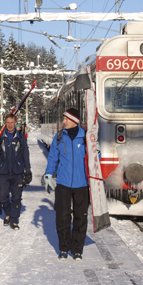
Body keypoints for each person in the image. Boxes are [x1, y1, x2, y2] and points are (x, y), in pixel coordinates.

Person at [43, 108, 88, 261]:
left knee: (80, 218)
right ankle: (63, 248)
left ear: (74, 120)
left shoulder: (86, 138)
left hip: (82, 184)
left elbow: (95, 159)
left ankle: (77, 250)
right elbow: (53, 158)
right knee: (62, 217)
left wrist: (98, 151)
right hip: (63, 183)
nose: (63, 121)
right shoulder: (59, 137)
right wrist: (49, 174)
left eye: (66, 119)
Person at [0, 113, 31, 230]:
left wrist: (28, 171)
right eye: (8, 122)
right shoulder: (1, 138)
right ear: (5, 123)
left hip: (17, 172)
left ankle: (14, 220)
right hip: (3, 172)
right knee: (2, 197)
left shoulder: (21, 137)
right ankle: (8, 212)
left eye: (12, 122)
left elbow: (25, 155)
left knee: (16, 198)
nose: (10, 125)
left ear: (15, 123)